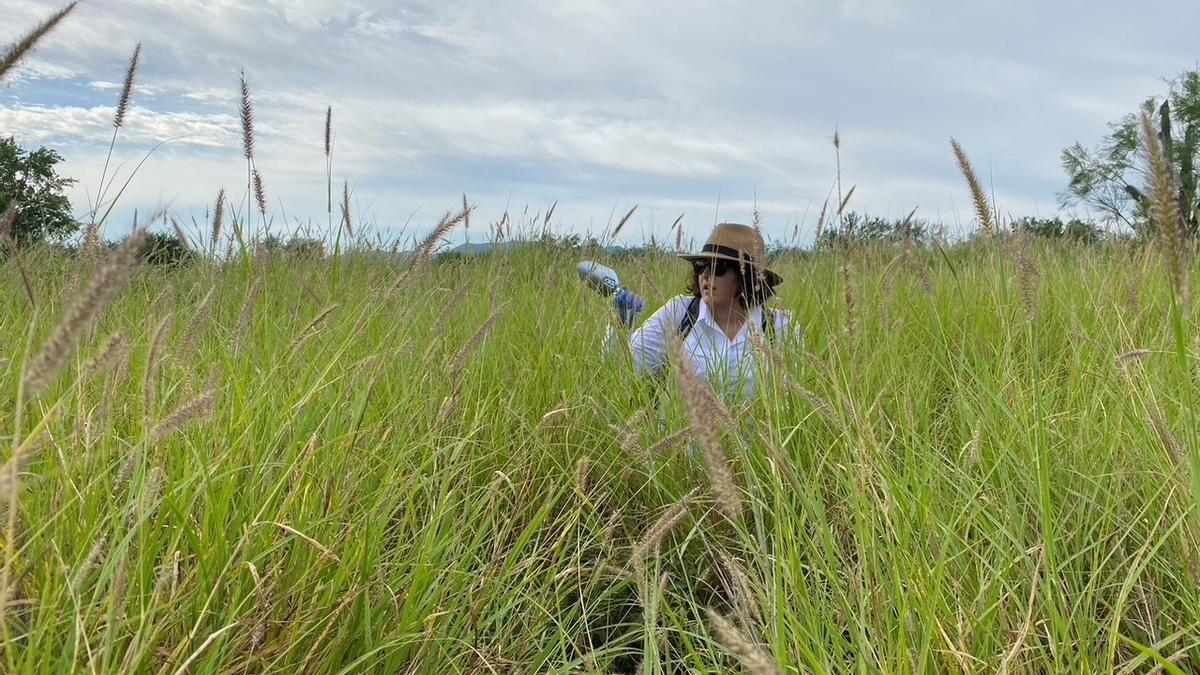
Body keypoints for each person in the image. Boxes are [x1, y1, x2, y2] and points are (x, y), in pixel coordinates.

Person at [608, 222, 800, 398]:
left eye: (718, 268)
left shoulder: (779, 327)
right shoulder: (679, 313)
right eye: (701, 266)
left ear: (745, 277)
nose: (706, 275)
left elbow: (791, 402)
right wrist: (621, 325)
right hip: (679, 434)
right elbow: (627, 368)